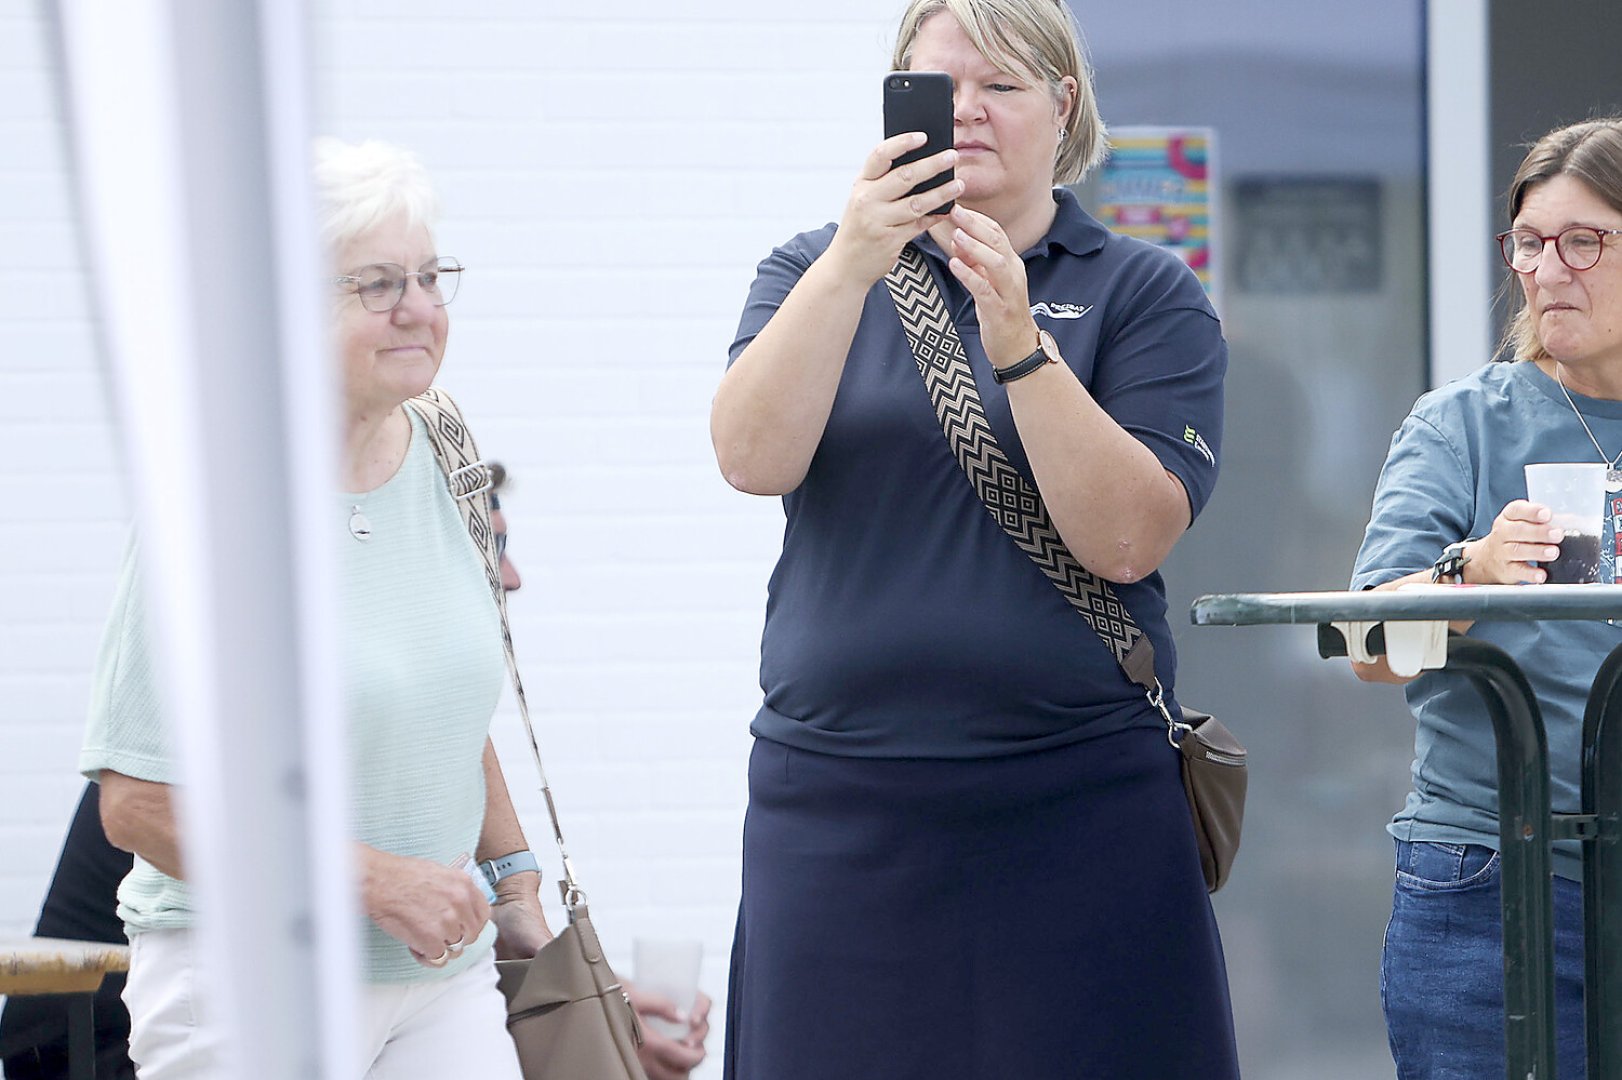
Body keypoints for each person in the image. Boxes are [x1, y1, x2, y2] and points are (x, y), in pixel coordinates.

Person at [709, 1, 1237, 1076]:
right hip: (839, 801)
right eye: (936, 87)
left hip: (1074, 799)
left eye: (999, 86)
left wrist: (1020, 351)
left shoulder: (1142, 291)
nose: (966, 114)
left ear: (1062, 103)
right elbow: (749, 458)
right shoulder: (811, 271)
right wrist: (854, 261)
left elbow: (1130, 538)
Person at [3, 461, 712, 1080]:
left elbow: (464, 741)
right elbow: (137, 812)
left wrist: (539, 933)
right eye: (490, 545)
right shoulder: (292, 720)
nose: (511, 574)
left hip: (383, 998)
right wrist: (380, 882)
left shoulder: (405, 715)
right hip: (94, 1045)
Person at [1349, 116, 1622, 1079]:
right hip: (1491, 877)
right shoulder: (1463, 423)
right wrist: (1470, 573)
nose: (1550, 270)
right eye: (1530, 244)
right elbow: (1366, 644)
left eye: (1585, 241)